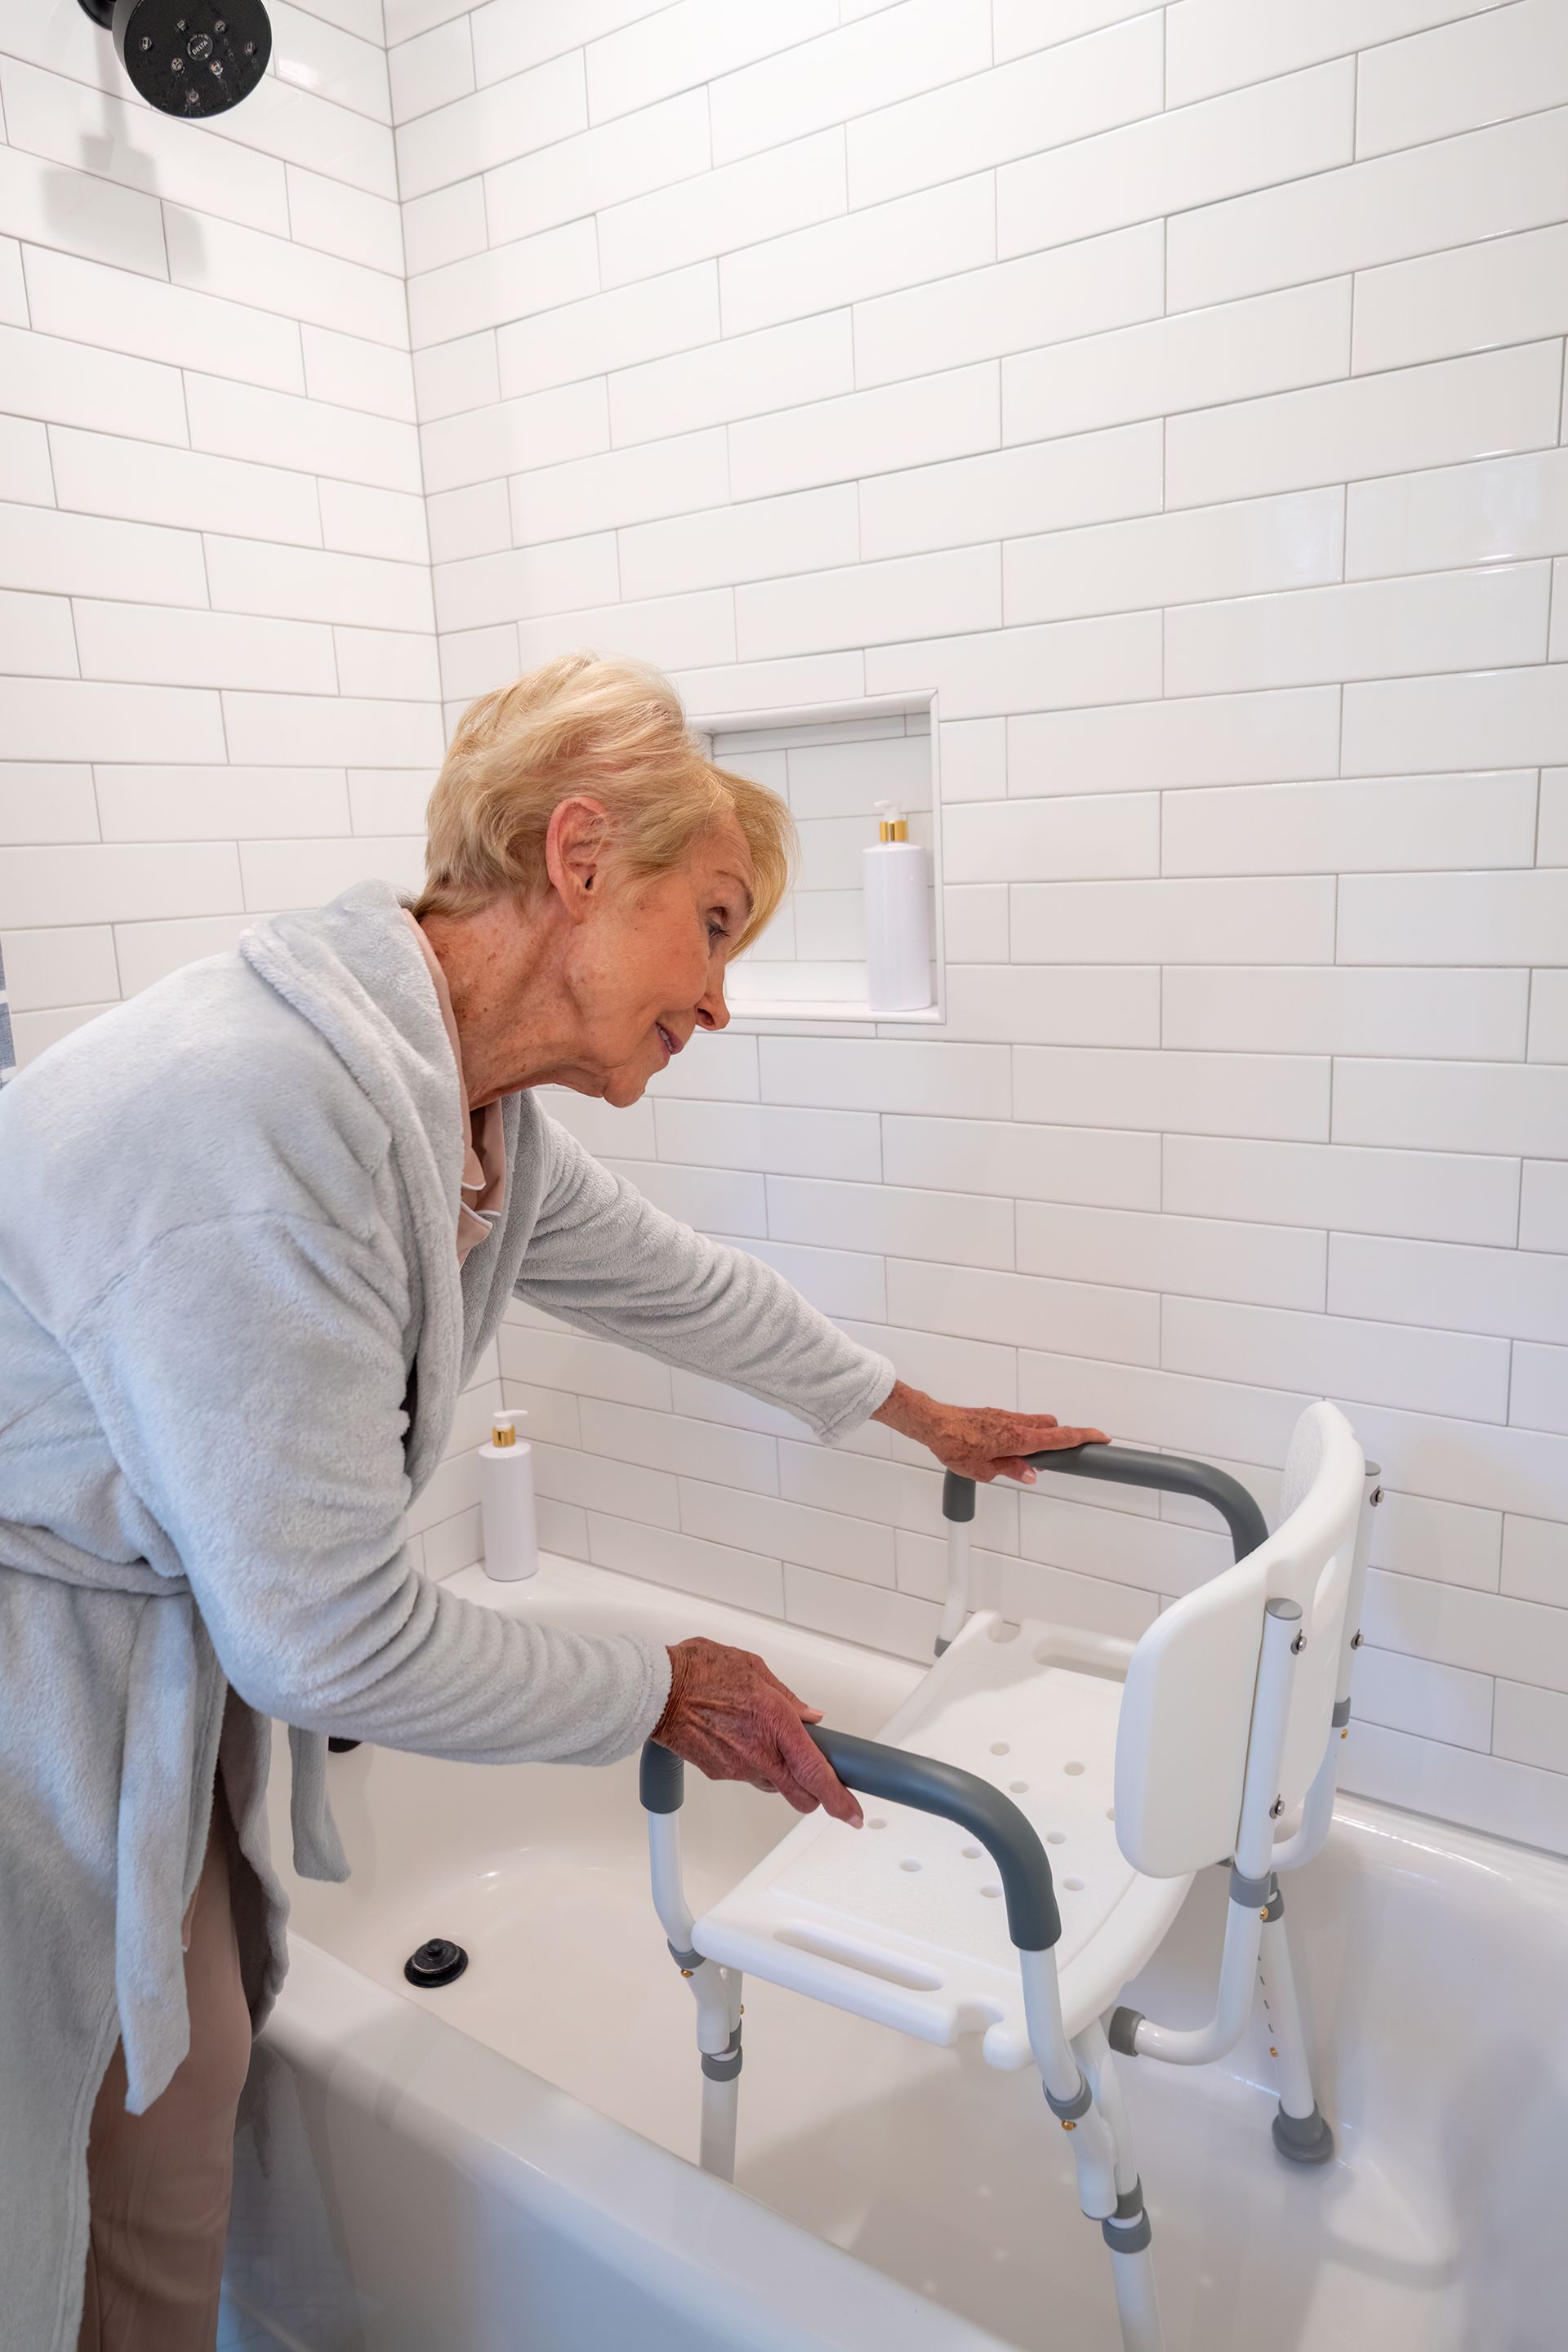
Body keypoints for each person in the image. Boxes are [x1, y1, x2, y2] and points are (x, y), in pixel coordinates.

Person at [0, 653, 1105, 2351]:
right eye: (715, 924)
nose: (722, 999)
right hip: (31, 1692)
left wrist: (918, 1416)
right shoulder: (265, 1106)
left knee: (180, 2082)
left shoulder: (460, 1107)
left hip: (146, 1674)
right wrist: (667, 1685)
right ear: (580, 857)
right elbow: (330, 1640)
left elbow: (685, 1283)